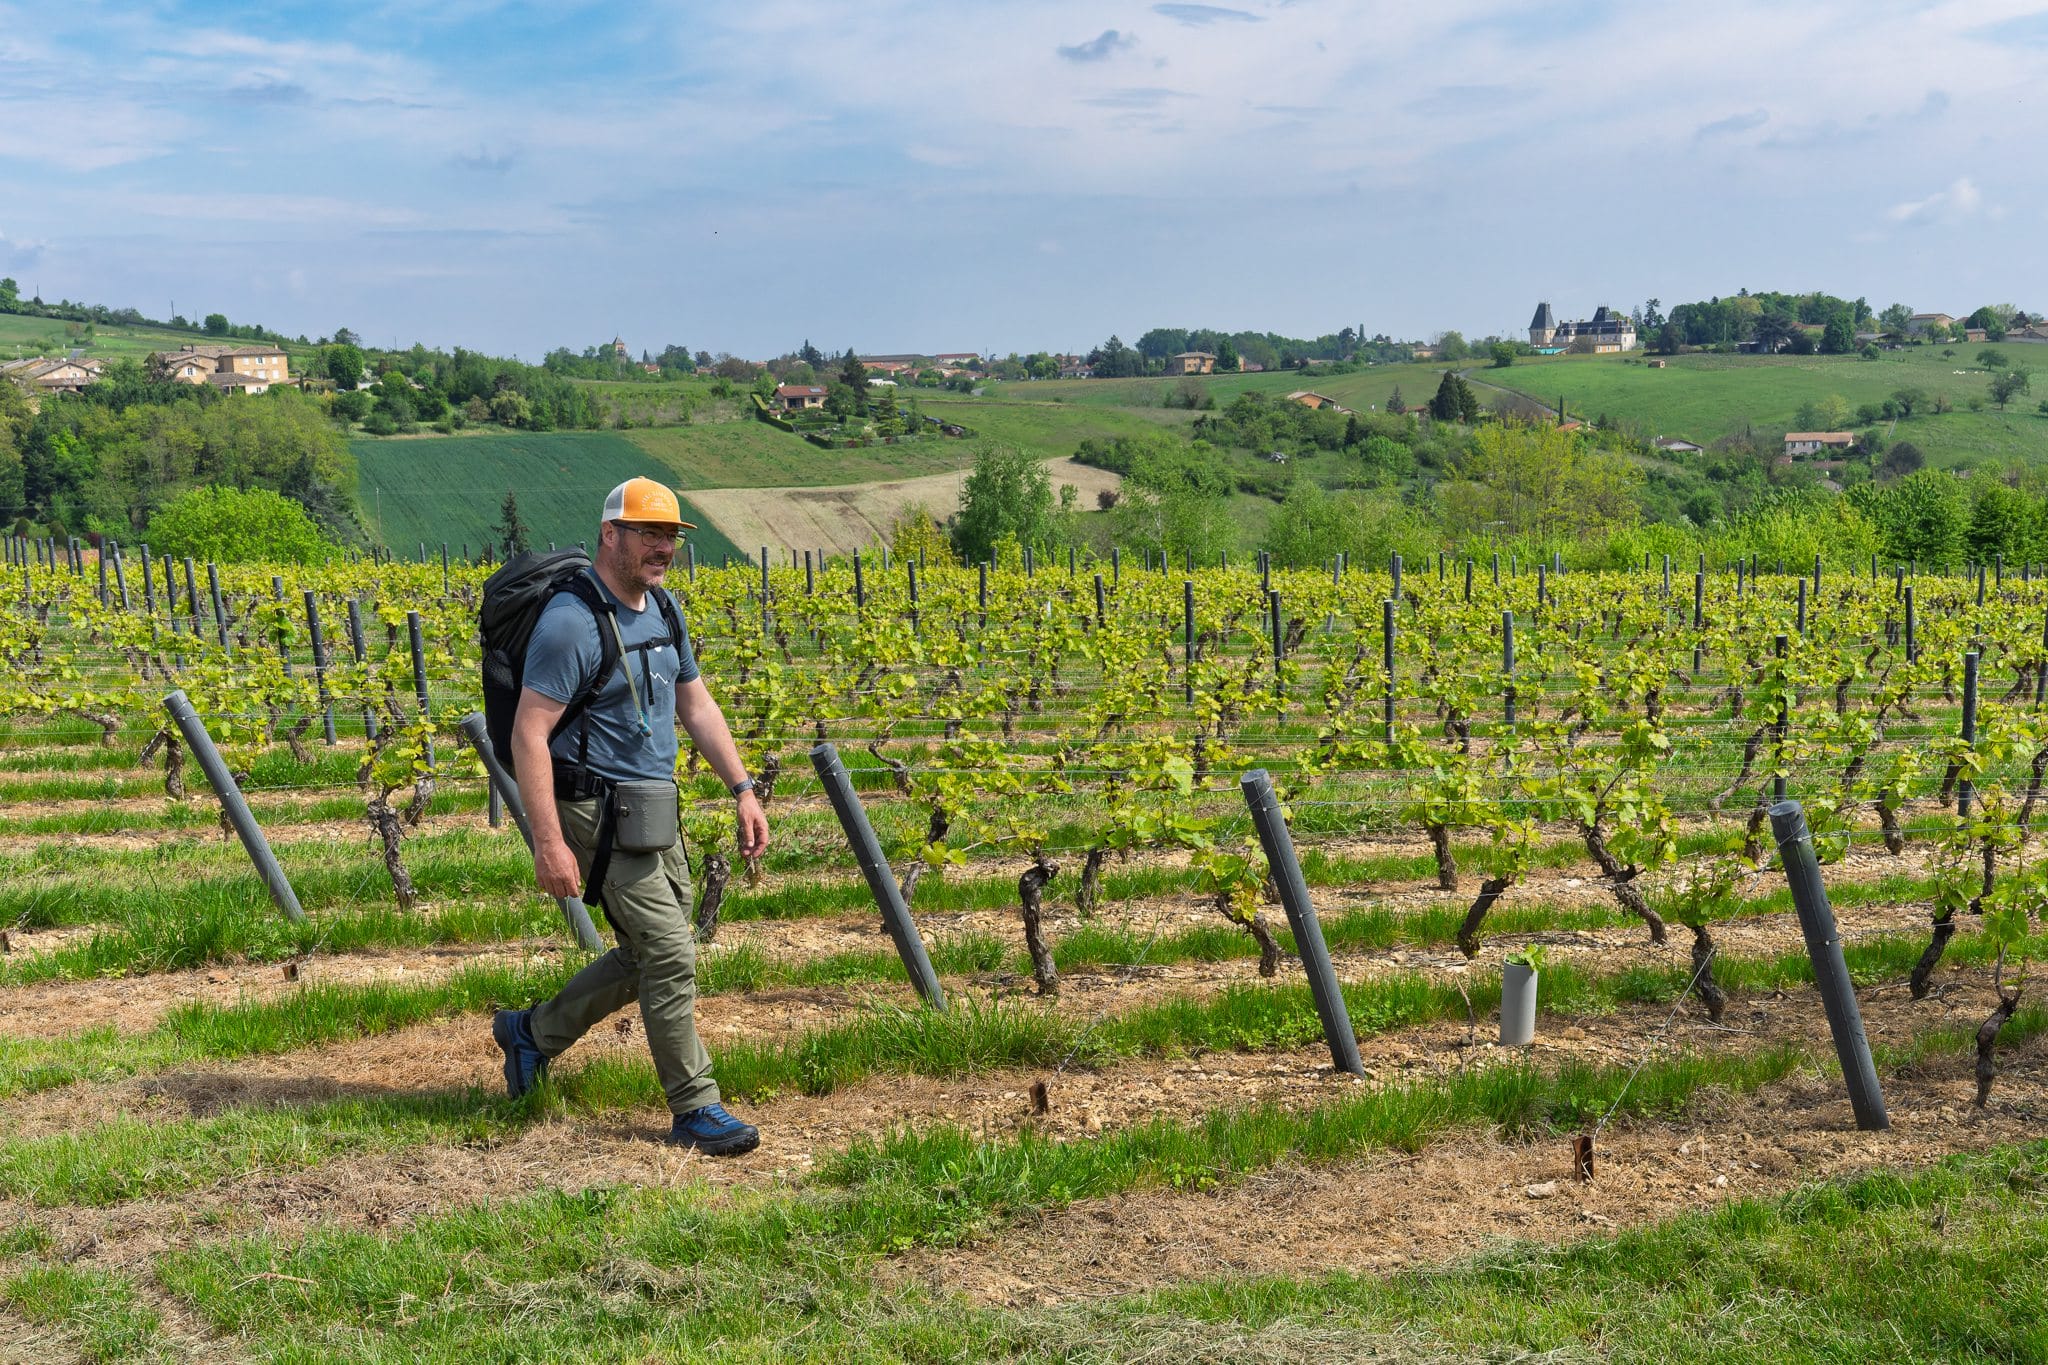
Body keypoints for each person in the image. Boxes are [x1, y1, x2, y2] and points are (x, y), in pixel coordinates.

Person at [492, 476, 769, 1155]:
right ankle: (695, 1106)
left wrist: (741, 787)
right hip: (592, 808)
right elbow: (530, 734)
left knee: (652, 950)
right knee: (671, 952)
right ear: (610, 534)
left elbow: (696, 705)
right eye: (650, 533)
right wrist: (548, 843)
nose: (664, 547)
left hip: (651, 805)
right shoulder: (571, 622)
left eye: (671, 535)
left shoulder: (663, 609)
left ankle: (532, 1033)